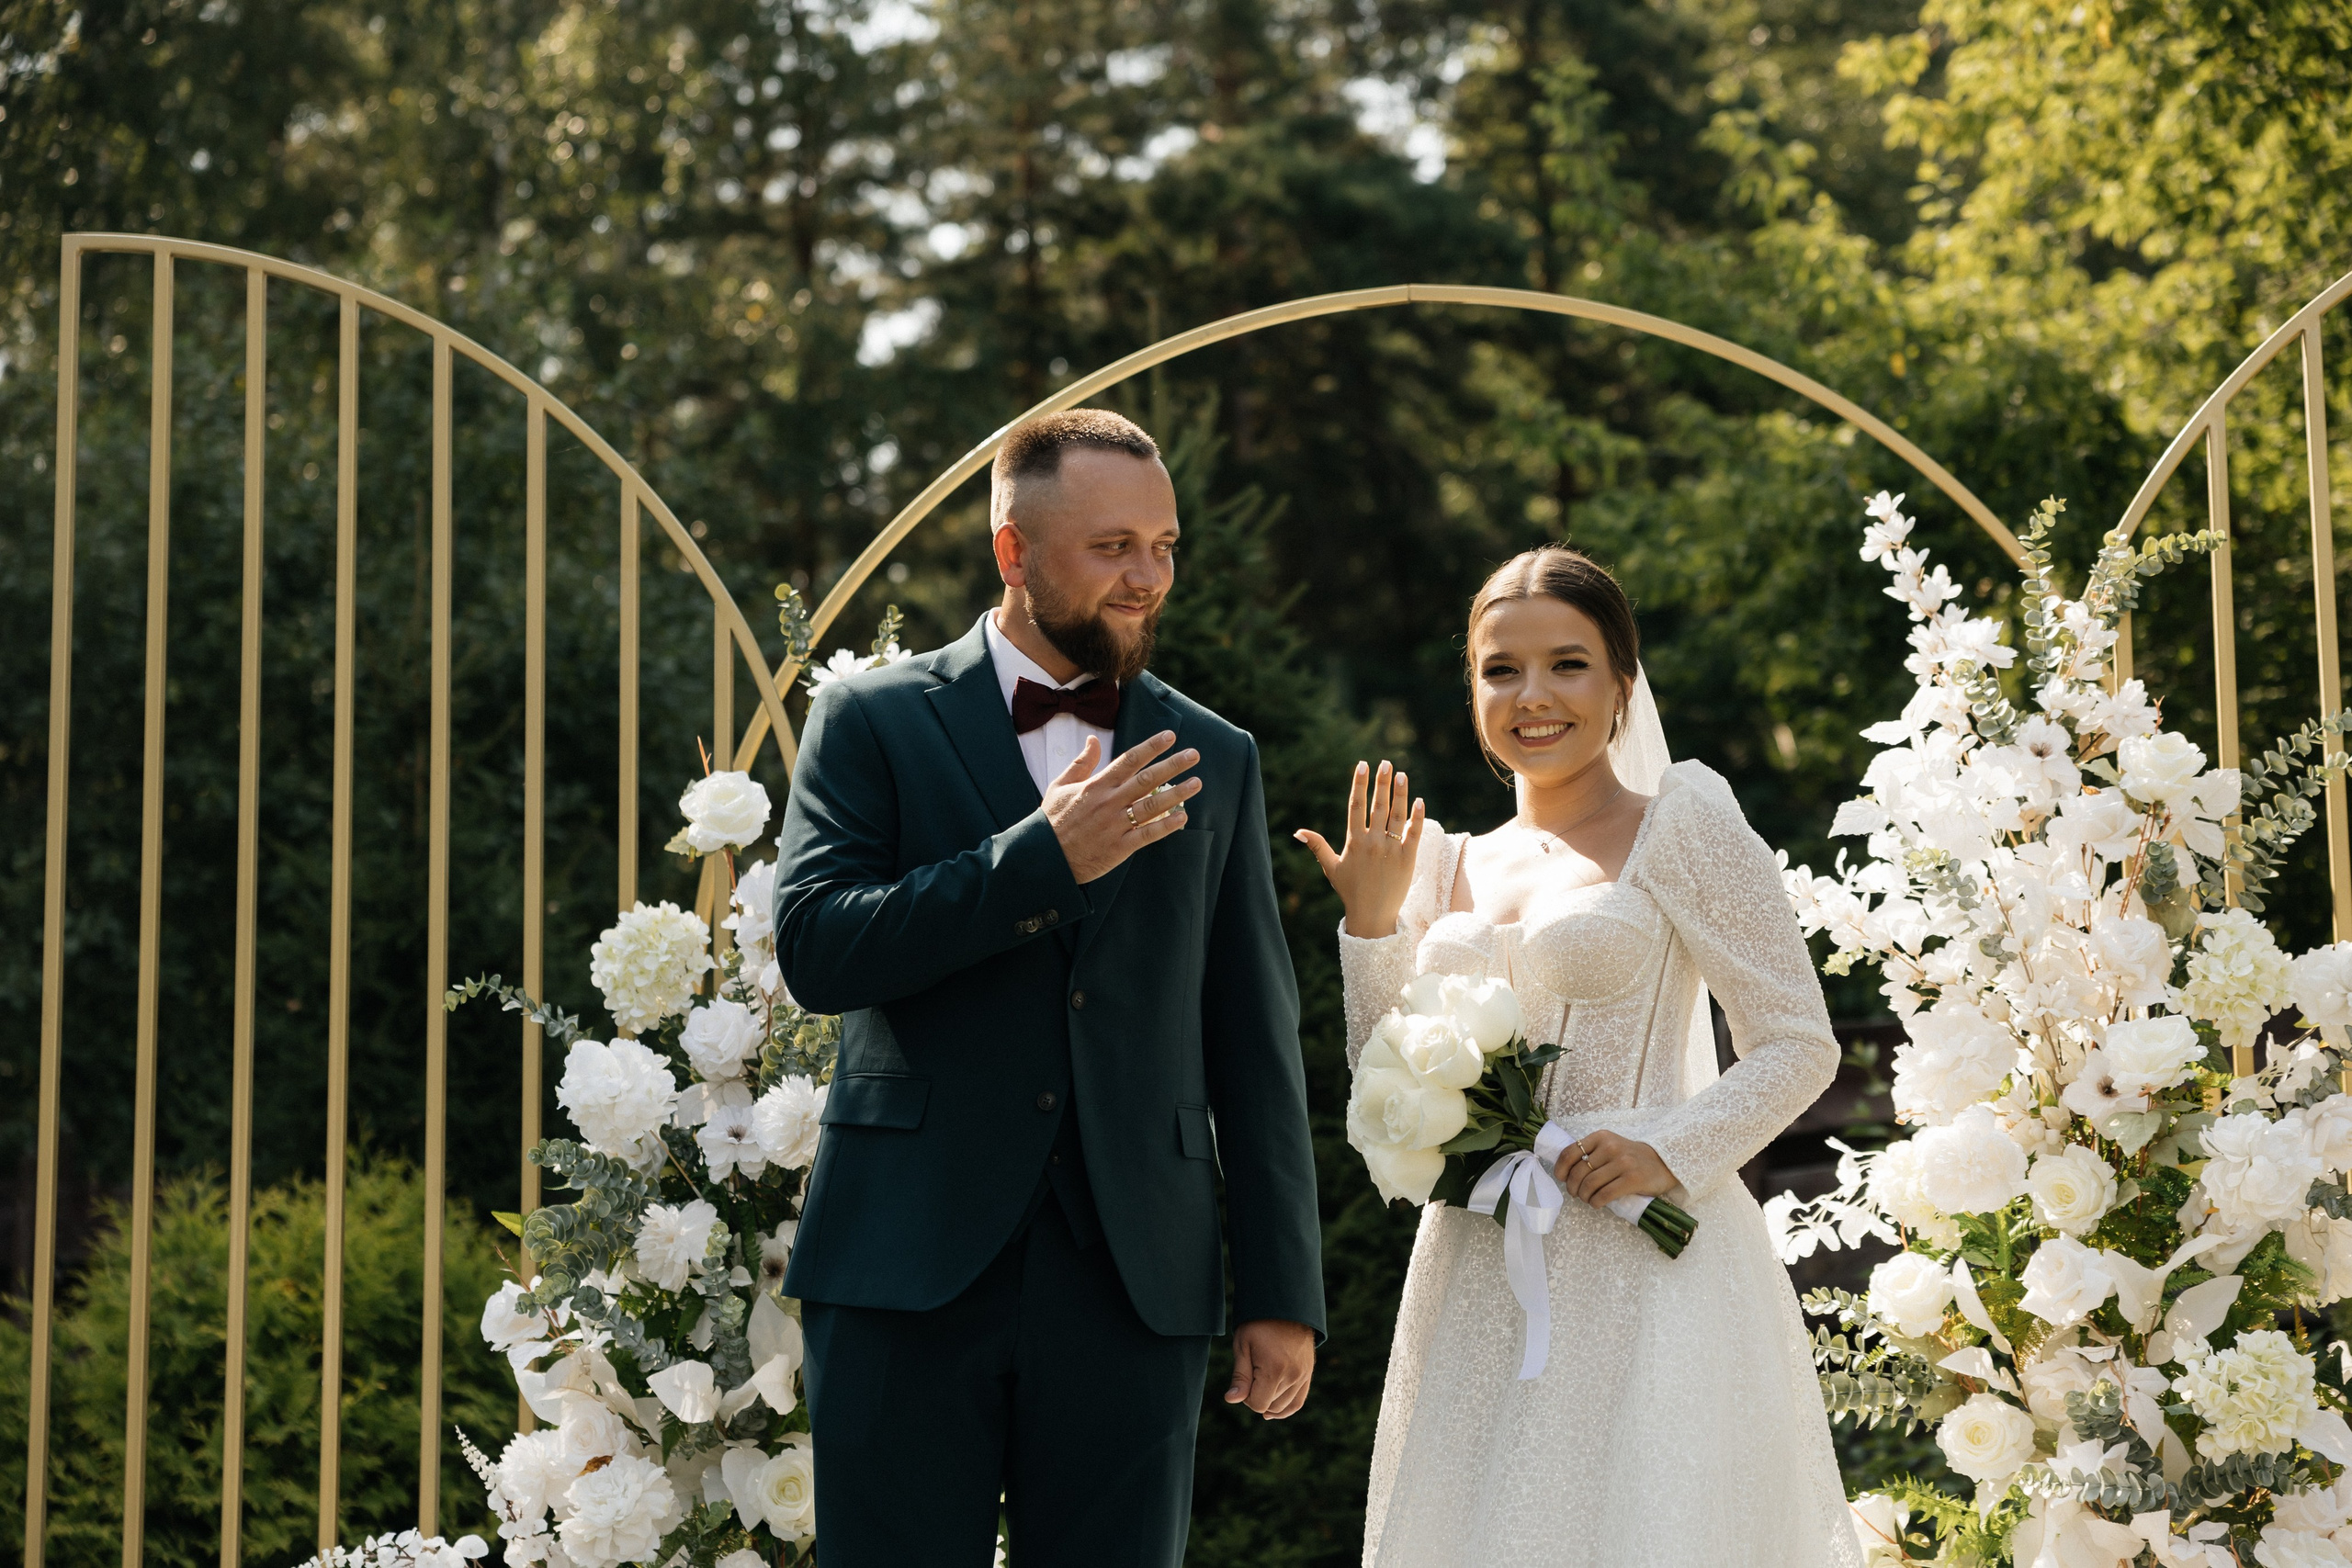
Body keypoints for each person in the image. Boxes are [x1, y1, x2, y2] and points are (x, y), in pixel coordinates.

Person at [773, 408, 1325, 1568]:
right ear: (1013, 551)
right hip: (903, 1264)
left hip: (1133, 1277)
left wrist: (1282, 1290)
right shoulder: (871, 721)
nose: (1147, 577)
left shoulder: (1216, 755)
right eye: (1112, 547)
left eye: (1163, 546)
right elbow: (818, 949)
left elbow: (1252, 1038)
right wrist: (1038, 861)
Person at [1295, 546, 1859, 1567]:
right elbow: (1384, 1079)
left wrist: (1669, 1149)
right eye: (1500, 669)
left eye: (1568, 664)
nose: (1532, 696)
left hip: (1644, 1255)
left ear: (1621, 683)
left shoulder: (1682, 826)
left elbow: (1796, 1042)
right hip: (1478, 1268)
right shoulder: (1439, 860)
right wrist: (1371, 925)